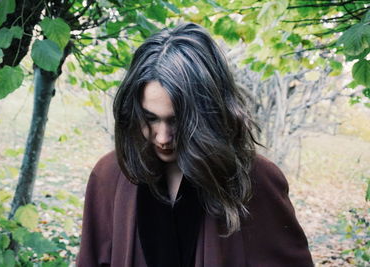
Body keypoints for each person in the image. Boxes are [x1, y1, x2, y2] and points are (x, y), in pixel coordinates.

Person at [77, 23, 313, 267]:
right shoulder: (109, 174)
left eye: (177, 121)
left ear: (208, 114)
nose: (162, 137)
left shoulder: (256, 179)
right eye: (150, 118)